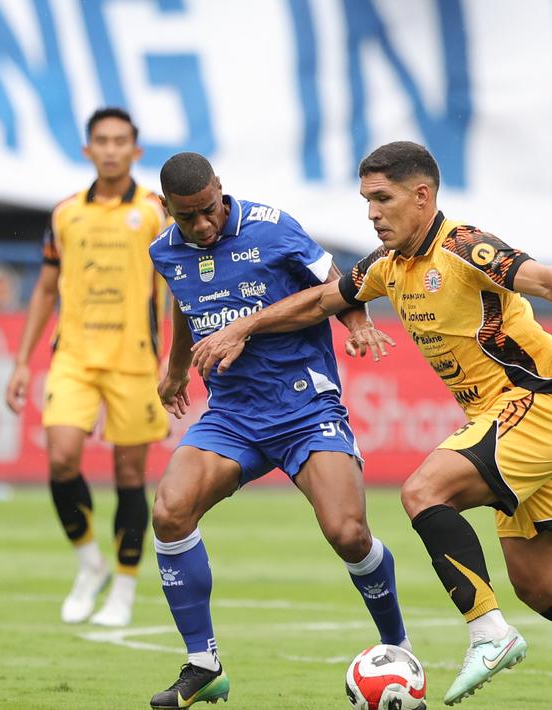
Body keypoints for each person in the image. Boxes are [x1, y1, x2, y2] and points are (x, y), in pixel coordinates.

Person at [190, 141, 552, 710]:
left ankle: (488, 632)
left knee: (423, 491)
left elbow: (544, 280)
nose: (372, 214)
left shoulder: (463, 247)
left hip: (535, 405)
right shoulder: (386, 266)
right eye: (366, 201)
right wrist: (244, 327)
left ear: (421, 195)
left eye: (382, 199)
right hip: (519, 421)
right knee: (540, 585)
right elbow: (319, 302)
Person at [146, 152, 410, 709]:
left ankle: (399, 649)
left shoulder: (272, 227)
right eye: (187, 216)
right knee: (169, 511)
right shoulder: (164, 251)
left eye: (209, 209)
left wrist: (358, 323)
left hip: (304, 407)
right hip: (232, 415)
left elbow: (335, 284)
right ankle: (204, 665)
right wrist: (175, 369)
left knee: (348, 533)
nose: (202, 225)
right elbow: (183, 303)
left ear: (220, 188)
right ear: (167, 208)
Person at [5, 107, 172, 629]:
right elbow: (45, 288)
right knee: (60, 459)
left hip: (134, 360)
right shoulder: (65, 214)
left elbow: (180, 283)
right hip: (73, 356)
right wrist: (21, 361)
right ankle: (89, 563)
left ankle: (124, 585)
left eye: (121, 141)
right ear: (87, 149)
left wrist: (178, 358)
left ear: (135, 151)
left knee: (129, 475)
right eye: (102, 140)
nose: (111, 149)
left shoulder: (155, 211)